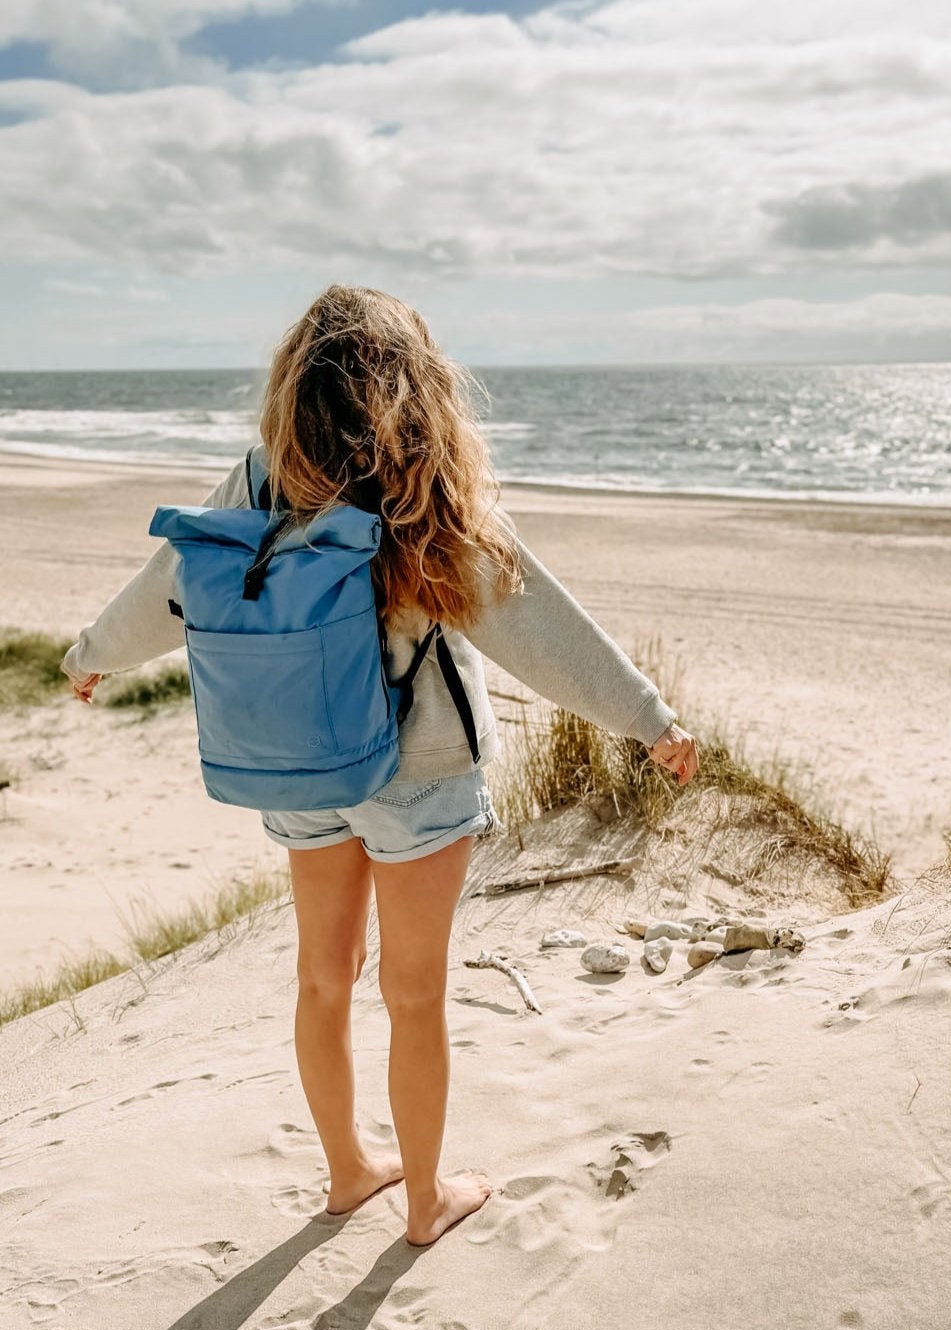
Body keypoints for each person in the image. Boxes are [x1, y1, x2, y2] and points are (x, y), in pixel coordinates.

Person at [60, 285, 699, 1246]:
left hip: (298, 763)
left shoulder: (264, 477)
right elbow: (536, 624)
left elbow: (171, 584)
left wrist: (92, 656)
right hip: (420, 771)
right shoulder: (424, 488)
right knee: (414, 991)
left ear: (295, 382)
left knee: (323, 978)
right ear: (417, 381)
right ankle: (425, 1202)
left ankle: (349, 1172)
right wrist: (647, 719)